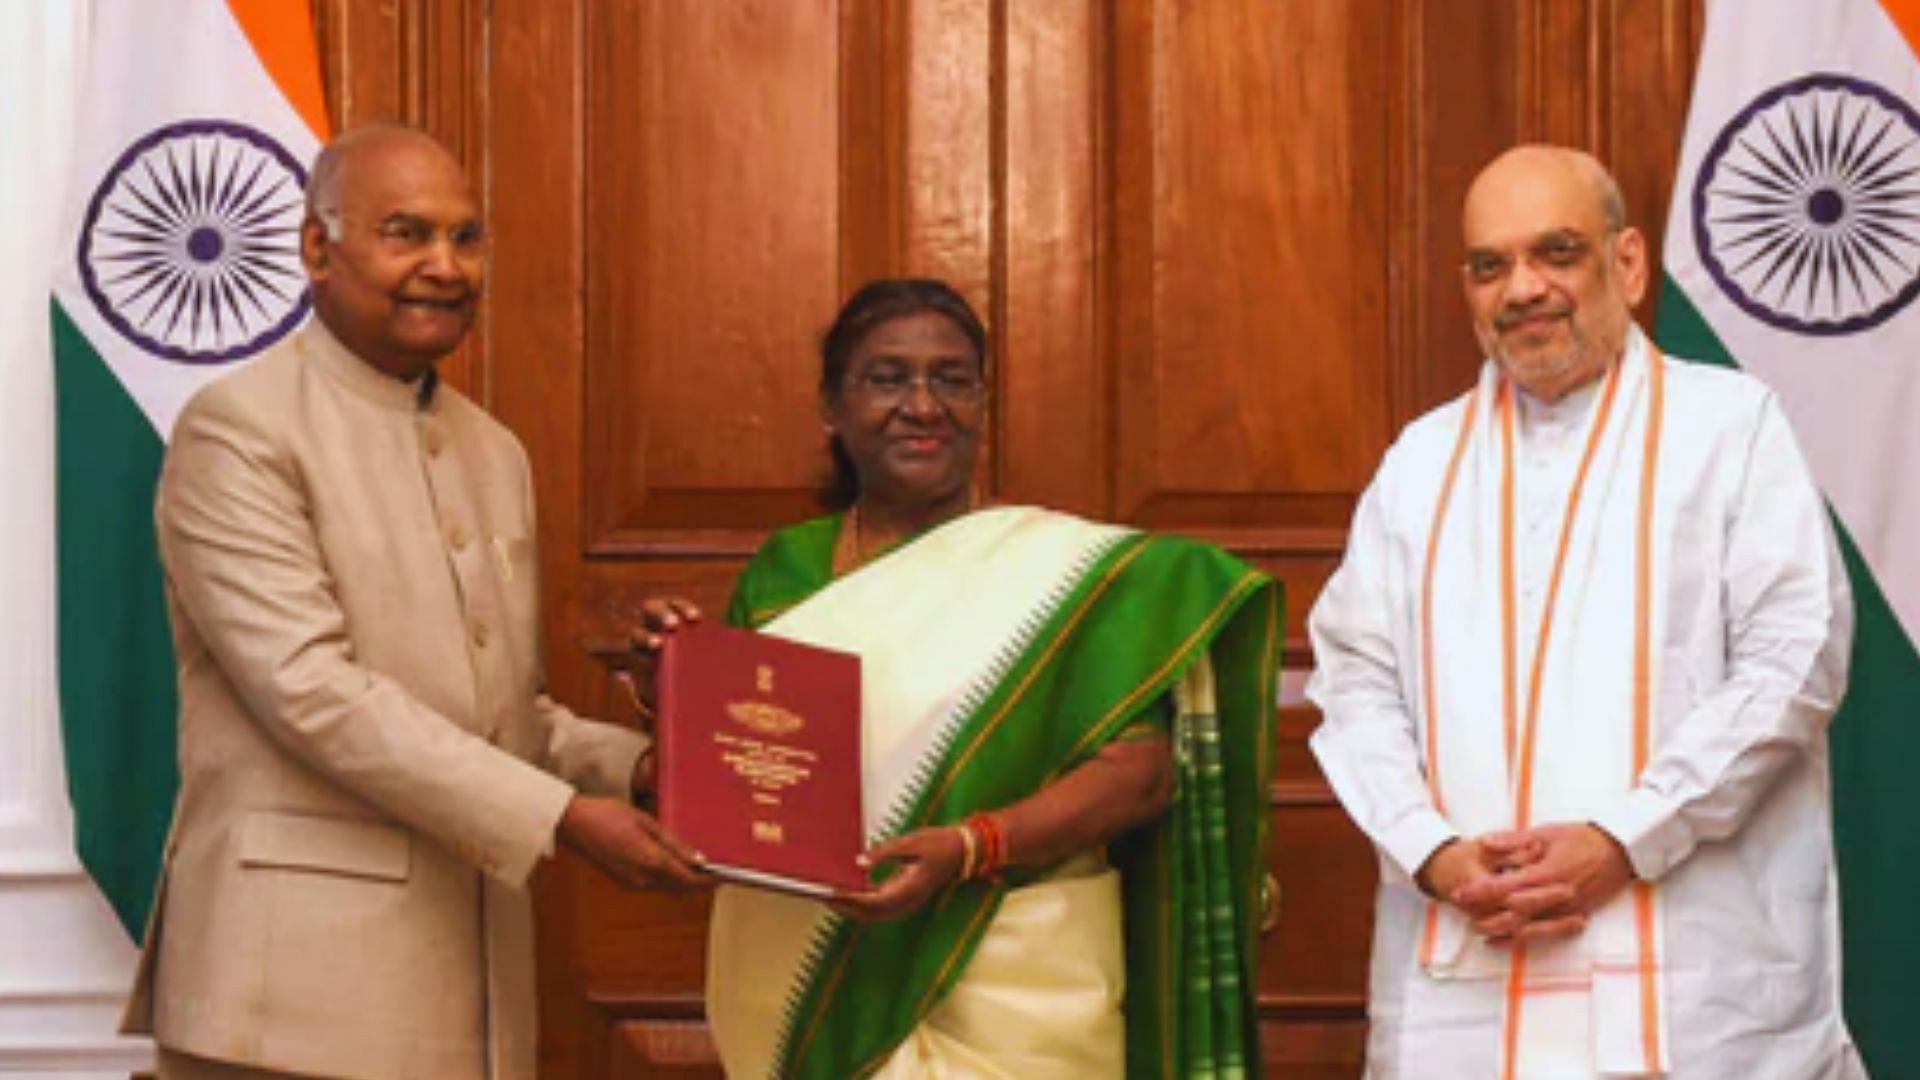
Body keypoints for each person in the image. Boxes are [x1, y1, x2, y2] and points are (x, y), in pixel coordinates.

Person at [121, 123, 706, 1080]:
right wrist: (563, 817)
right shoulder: (238, 431)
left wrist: (648, 772)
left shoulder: (493, 450)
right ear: (318, 247)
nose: (445, 266)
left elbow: (503, 718)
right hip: (288, 998)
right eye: (407, 233)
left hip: (469, 993)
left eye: (467, 238)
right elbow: (315, 692)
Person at [1307, 144, 1860, 1078]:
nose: (1523, 289)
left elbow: (1795, 659)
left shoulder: (1730, 426)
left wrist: (1625, 836)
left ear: (1629, 264)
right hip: (1467, 988)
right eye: (1491, 266)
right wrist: (1432, 849)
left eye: (1556, 252)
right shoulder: (1421, 461)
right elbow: (1353, 676)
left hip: (1695, 994)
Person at [637, 278, 1281, 1078]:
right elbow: (748, 780)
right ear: (831, 408)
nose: (922, 404)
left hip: (1021, 966)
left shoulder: (1055, 576)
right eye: (886, 378)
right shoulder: (787, 570)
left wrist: (972, 848)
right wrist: (675, 691)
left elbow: (1140, 778)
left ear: (981, 403)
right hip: (819, 966)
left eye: (952, 380)